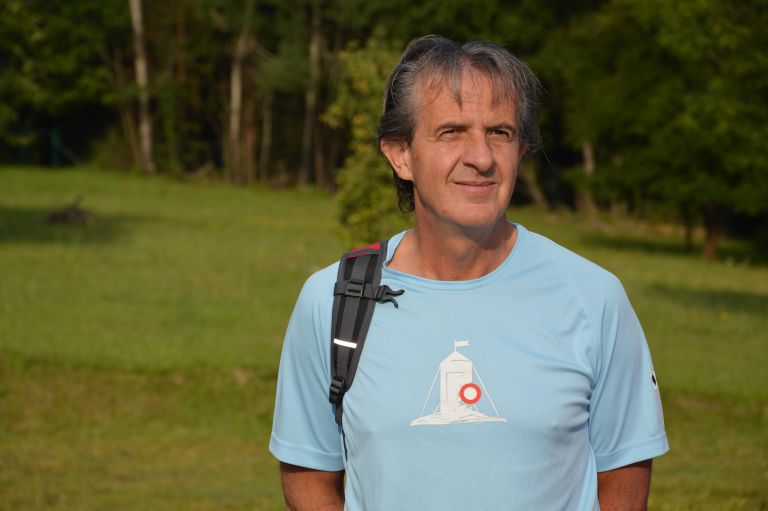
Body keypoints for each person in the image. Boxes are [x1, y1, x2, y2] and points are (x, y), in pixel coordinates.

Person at [270, 35, 668, 510]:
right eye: (452, 131)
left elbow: (624, 475)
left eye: (500, 132)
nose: (481, 157)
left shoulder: (593, 298)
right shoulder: (333, 302)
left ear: (521, 150)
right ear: (400, 154)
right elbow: (309, 478)